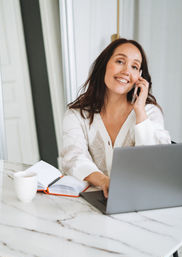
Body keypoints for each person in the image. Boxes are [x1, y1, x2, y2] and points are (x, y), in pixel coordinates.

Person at [60, 38, 171, 198]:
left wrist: (140, 112)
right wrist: (104, 181)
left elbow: (156, 164)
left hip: (139, 201)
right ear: (104, 65)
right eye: (120, 61)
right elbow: (73, 158)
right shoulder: (76, 115)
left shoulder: (150, 113)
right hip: (91, 202)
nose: (126, 71)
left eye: (134, 67)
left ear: (139, 77)